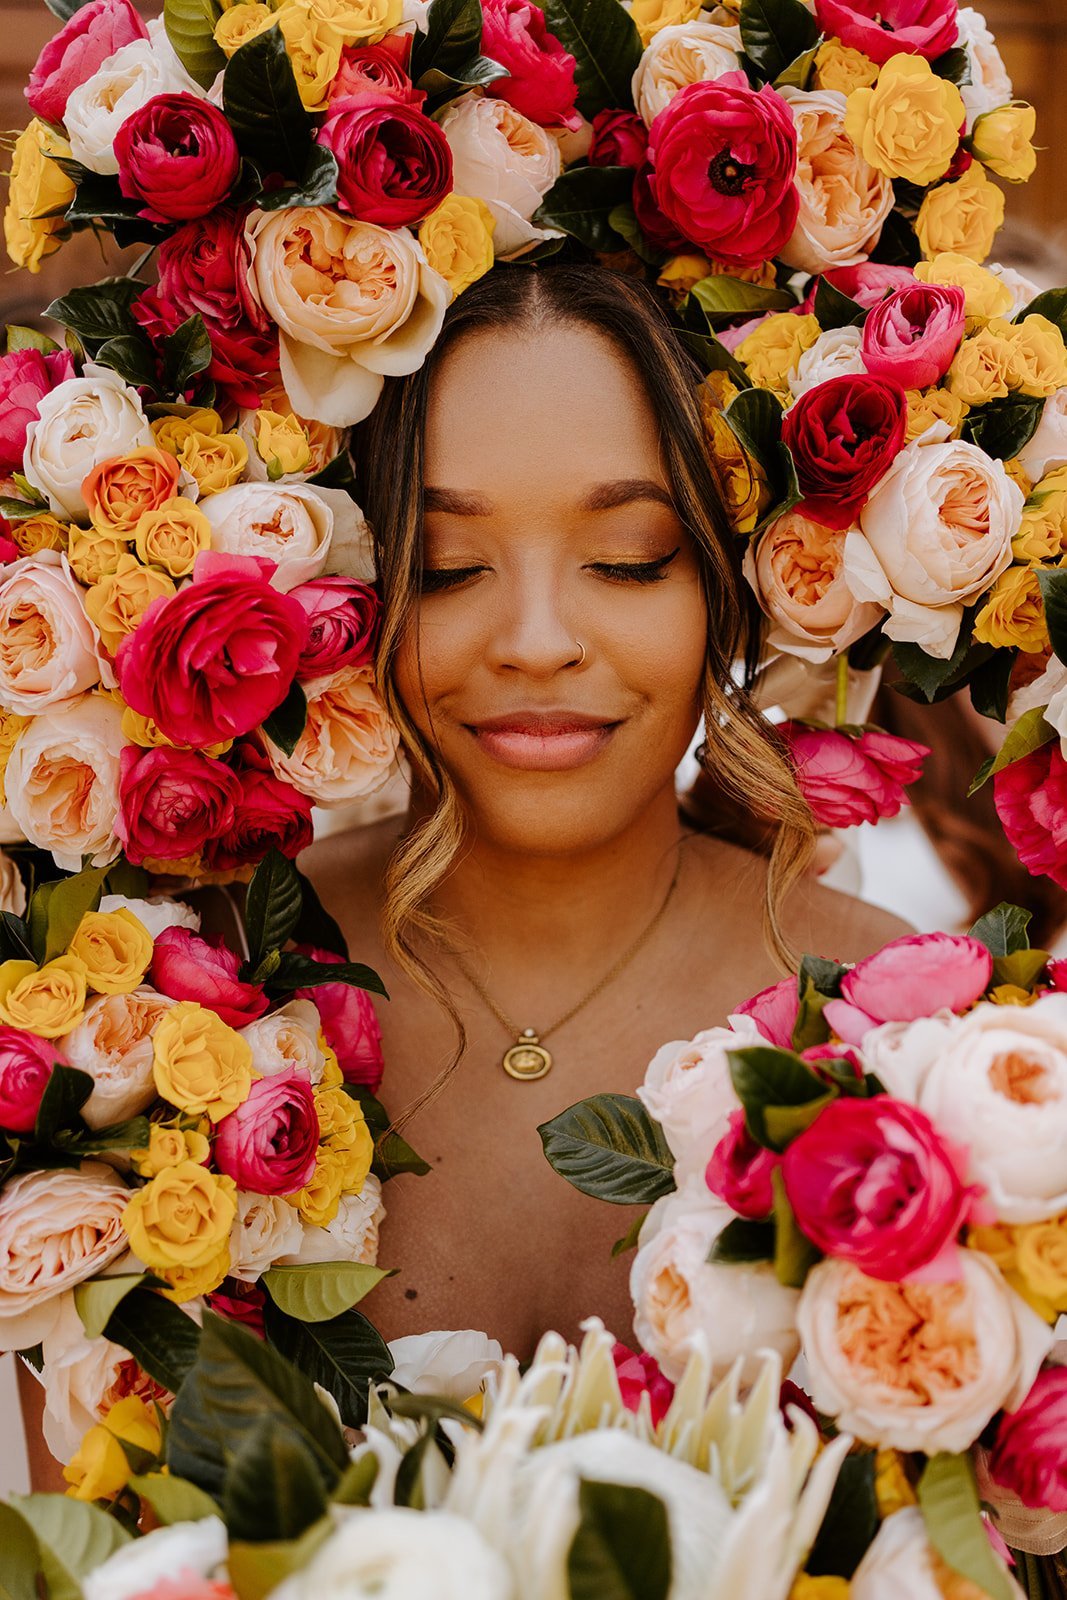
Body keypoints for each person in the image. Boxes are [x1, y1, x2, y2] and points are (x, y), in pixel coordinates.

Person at [301, 263, 909, 1360]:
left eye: (625, 562)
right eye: (445, 568)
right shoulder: (177, 1002)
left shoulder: (905, 1030)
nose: (536, 639)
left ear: (734, 587)